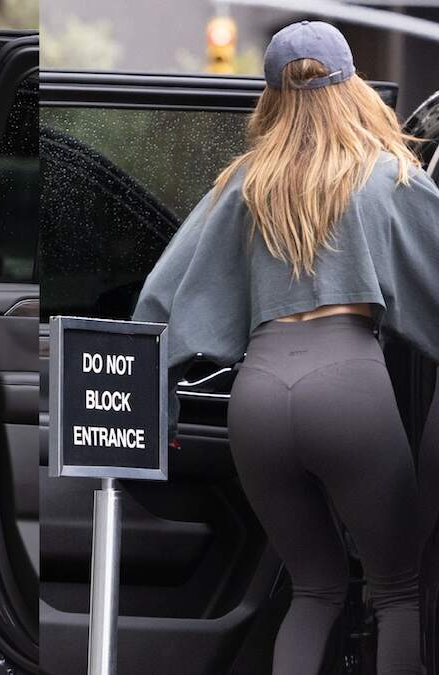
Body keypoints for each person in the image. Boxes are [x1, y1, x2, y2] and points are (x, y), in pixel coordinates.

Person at [133, 22, 433, 674]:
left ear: (271, 97)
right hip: (349, 384)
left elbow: (158, 304)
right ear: (351, 88)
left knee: (315, 588)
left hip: (259, 395)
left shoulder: (243, 184)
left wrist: (155, 420)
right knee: (399, 587)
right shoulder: (387, 177)